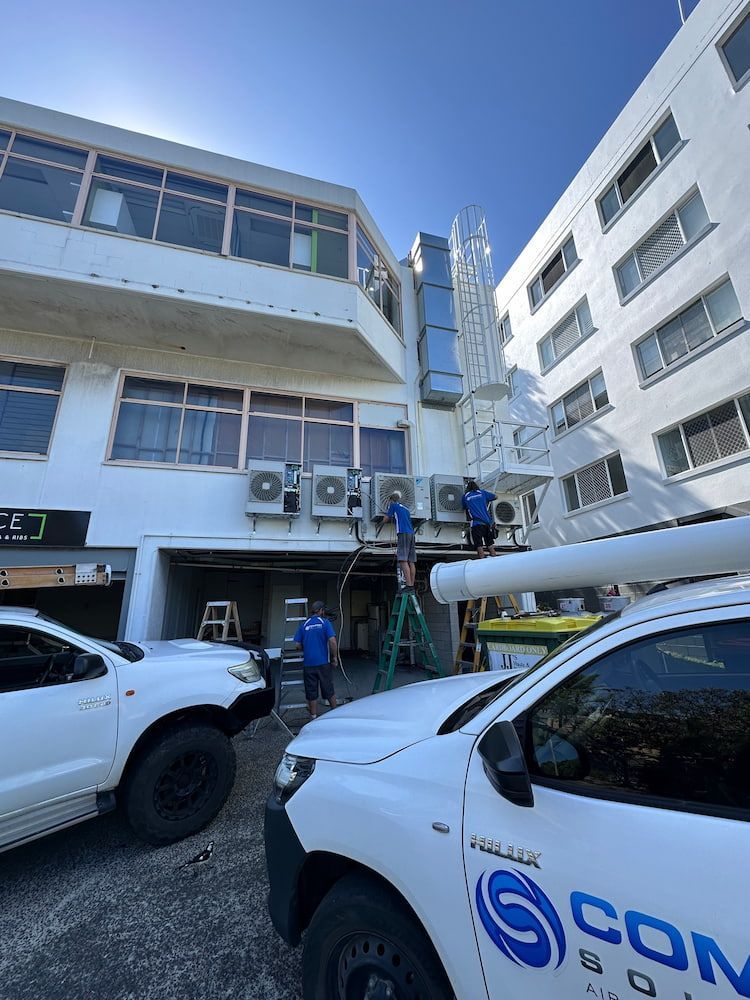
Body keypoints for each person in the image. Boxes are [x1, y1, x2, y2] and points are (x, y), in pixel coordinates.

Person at [294, 600, 338, 720]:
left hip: (308, 664)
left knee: (311, 691)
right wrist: (334, 657)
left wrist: (307, 645)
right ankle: (336, 714)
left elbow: (297, 645)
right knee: (328, 688)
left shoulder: (304, 624)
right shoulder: (325, 623)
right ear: (321, 611)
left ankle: (313, 717)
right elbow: (332, 641)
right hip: (323, 662)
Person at [384, 490, 416, 590]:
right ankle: (412, 584)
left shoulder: (393, 505)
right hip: (411, 534)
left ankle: (409, 585)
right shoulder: (406, 509)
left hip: (403, 533)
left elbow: (385, 519)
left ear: (391, 500)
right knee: (411, 561)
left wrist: (381, 521)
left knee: (403, 560)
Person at [462, 479, 498, 558]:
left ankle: (482, 561)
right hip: (487, 523)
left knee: (479, 545)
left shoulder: (465, 496)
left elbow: (463, 507)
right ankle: (495, 560)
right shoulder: (482, 493)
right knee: (490, 544)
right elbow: (495, 496)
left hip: (476, 524)